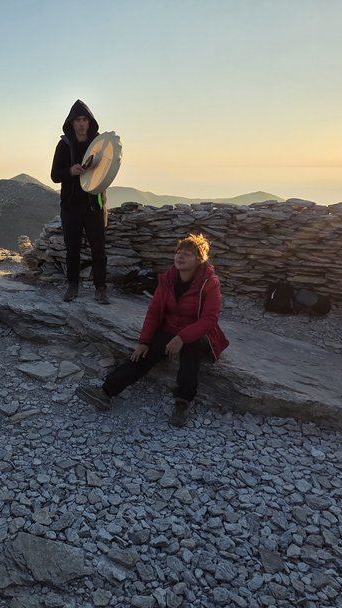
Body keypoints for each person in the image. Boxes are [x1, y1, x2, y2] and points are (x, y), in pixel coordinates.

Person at [77, 234, 229, 427]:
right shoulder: (167, 279)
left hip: (199, 333)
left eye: (187, 254)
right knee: (144, 356)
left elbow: (210, 319)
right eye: (178, 252)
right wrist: (144, 341)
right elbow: (155, 311)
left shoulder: (209, 282)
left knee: (191, 353)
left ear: (200, 259)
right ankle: (105, 392)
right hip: (170, 328)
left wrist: (181, 338)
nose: (180, 257)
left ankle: (183, 403)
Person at [51, 99, 109, 304]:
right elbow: (54, 175)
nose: (81, 123)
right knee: (72, 249)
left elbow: (108, 168)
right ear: (72, 122)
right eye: (77, 120)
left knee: (98, 249)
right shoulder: (64, 145)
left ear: (90, 121)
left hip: (95, 204)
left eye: (84, 119)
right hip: (70, 206)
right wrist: (70, 171)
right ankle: (72, 286)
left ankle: (100, 288)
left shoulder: (99, 144)